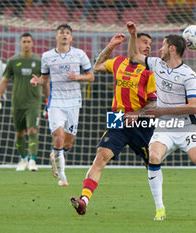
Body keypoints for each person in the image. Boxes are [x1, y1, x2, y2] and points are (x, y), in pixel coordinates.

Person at [126, 21, 196, 220]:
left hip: (186, 126)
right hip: (165, 126)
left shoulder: (188, 75)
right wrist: (132, 35)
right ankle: (160, 209)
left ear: (172, 48)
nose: (158, 49)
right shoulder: (156, 64)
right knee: (153, 157)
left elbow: (194, 107)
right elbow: (133, 56)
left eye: (163, 45)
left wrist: (161, 110)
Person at [70, 33, 157, 215]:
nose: (148, 46)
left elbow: (153, 104)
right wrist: (111, 46)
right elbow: (98, 65)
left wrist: (138, 114)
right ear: (134, 44)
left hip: (141, 123)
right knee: (101, 156)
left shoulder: (150, 72)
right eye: (144, 42)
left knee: (152, 163)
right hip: (117, 118)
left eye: (150, 44)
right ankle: (84, 200)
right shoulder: (118, 62)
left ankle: (159, 204)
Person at [30, 24, 95, 186]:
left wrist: (78, 77)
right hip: (55, 102)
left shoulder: (79, 54)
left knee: (67, 143)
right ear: (56, 37)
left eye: (67, 33)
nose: (64, 35)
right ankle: (62, 178)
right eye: (61, 32)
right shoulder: (47, 56)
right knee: (58, 138)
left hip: (74, 102)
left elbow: (91, 76)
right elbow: (44, 78)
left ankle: (56, 155)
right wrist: (38, 81)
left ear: (71, 37)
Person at [0, 32, 42, 172]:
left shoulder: (38, 61)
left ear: (32, 44)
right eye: (24, 41)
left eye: (28, 41)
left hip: (33, 102)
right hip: (18, 102)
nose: (26, 44)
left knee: (32, 130)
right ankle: (23, 158)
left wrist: (49, 101)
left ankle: (32, 160)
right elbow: (5, 80)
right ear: (20, 43)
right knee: (20, 133)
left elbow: (45, 82)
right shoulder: (13, 61)